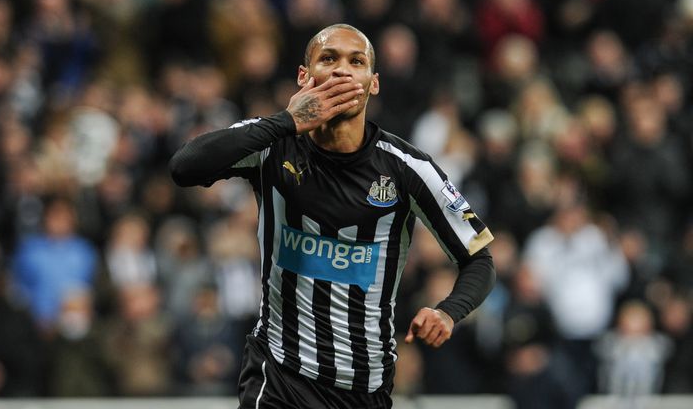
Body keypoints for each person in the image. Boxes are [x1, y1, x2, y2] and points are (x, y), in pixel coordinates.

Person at [169, 23, 495, 409]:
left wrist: (448, 312)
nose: (342, 70)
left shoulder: (408, 169)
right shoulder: (273, 144)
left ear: (373, 83)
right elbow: (184, 167)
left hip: (364, 388)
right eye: (328, 59)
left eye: (356, 62)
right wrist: (287, 120)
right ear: (304, 77)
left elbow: (480, 258)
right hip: (280, 377)